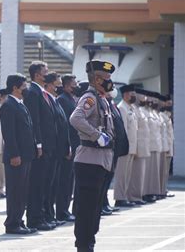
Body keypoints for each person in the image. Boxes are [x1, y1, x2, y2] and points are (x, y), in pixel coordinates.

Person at [70, 60, 115, 252]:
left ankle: (89, 243)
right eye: (106, 78)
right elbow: (75, 118)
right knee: (86, 208)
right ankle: (83, 245)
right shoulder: (90, 98)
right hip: (89, 160)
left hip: (101, 161)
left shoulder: (102, 98)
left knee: (95, 208)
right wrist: (96, 135)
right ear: (97, 79)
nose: (109, 82)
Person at [0, 74, 37, 235]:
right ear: (15, 88)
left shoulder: (20, 105)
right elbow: (9, 134)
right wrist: (14, 154)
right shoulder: (8, 105)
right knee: (15, 191)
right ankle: (12, 223)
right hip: (16, 156)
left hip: (26, 155)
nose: (26, 89)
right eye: (23, 86)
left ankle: (19, 220)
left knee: (22, 190)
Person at [24, 61, 56, 231]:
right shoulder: (33, 92)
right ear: (37, 75)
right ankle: (35, 218)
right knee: (37, 184)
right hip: (40, 147)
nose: (47, 74)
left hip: (48, 146)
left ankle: (42, 216)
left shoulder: (41, 92)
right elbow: (35, 121)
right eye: (45, 71)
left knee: (44, 184)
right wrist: (38, 143)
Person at [44, 72, 69, 226]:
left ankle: (50, 215)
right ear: (50, 85)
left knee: (53, 186)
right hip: (50, 149)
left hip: (58, 149)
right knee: (47, 186)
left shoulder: (54, 100)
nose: (59, 87)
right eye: (57, 84)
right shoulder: (53, 100)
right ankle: (47, 215)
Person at [56, 74, 80, 222]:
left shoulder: (71, 99)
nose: (75, 86)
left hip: (75, 144)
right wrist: (68, 146)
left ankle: (65, 209)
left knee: (70, 180)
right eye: (73, 84)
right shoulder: (63, 100)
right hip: (68, 145)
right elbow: (65, 126)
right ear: (65, 86)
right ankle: (61, 211)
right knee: (64, 181)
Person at [114, 84, 139, 207]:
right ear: (124, 95)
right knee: (121, 174)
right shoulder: (122, 108)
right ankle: (119, 198)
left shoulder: (131, 108)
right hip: (125, 146)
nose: (133, 95)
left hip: (132, 146)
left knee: (127, 174)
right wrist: (124, 146)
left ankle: (125, 197)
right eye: (131, 93)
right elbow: (123, 130)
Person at [143, 91, 162, 203]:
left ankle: (152, 192)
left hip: (154, 145)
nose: (152, 102)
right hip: (147, 145)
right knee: (147, 173)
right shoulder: (142, 111)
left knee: (152, 173)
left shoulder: (153, 113)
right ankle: (146, 193)